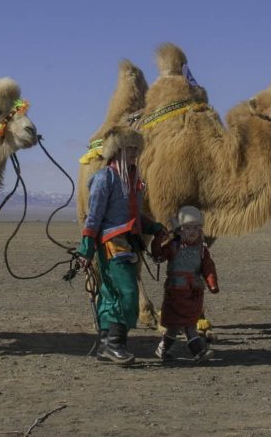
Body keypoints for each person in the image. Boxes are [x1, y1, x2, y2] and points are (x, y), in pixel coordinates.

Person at [77, 125, 167, 365]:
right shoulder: (105, 178)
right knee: (127, 293)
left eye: (136, 149)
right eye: (129, 148)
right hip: (111, 244)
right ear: (116, 150)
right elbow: (93, 215)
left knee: (109, 294)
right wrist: (85, 249)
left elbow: (134, 216)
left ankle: (106, 345)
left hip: (129, 242)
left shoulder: (135, 180)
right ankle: (117, 344)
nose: (134, 153)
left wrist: (156, 228)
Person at [151, 206, 219, 363]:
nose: (192, 231)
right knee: (187, 325)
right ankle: (199, 352)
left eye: (196, 227)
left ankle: (162, 350)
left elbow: (208, 267)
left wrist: (212, 283)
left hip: (193, 293)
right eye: (188, 228)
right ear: (180, 230)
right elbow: (159, 256)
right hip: (175, 293)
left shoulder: (202, 250)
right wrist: (157, 242)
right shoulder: (173, 246)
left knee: (175, 328)